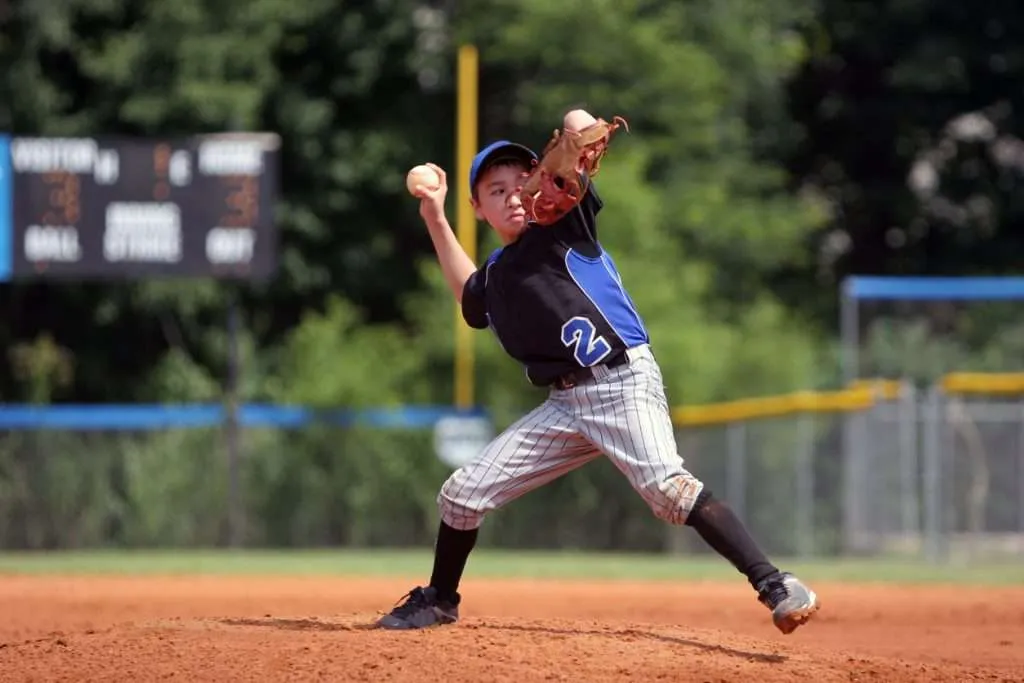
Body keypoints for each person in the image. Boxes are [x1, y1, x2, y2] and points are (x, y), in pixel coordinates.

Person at [377, 108, 821, 635]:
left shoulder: (564, 224)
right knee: (461, 494)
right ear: (478, 208)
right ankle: (439, 599)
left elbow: (580, 128)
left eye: (523, 180)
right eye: (497, 190)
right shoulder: (496, 275)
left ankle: (776, 584)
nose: (515, 194)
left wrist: (575, 127)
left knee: (668, 491)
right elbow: (469, 298)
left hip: (622, 381)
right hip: (565, 408)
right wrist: (434, 214)